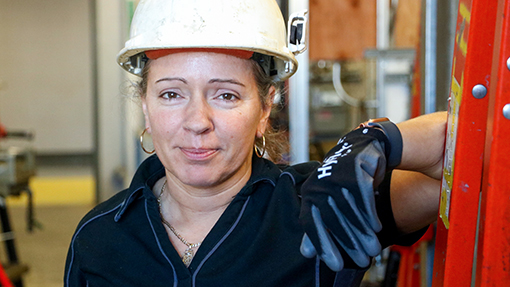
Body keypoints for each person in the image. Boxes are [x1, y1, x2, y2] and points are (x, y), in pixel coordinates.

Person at [64, 0, 446, 286]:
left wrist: (381, 138)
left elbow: (472, 160)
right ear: (145, 107)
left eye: (226, 95)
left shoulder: (321, 205)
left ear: (265, 108)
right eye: (171, 95)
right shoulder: (99, 238)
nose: (198, 122)